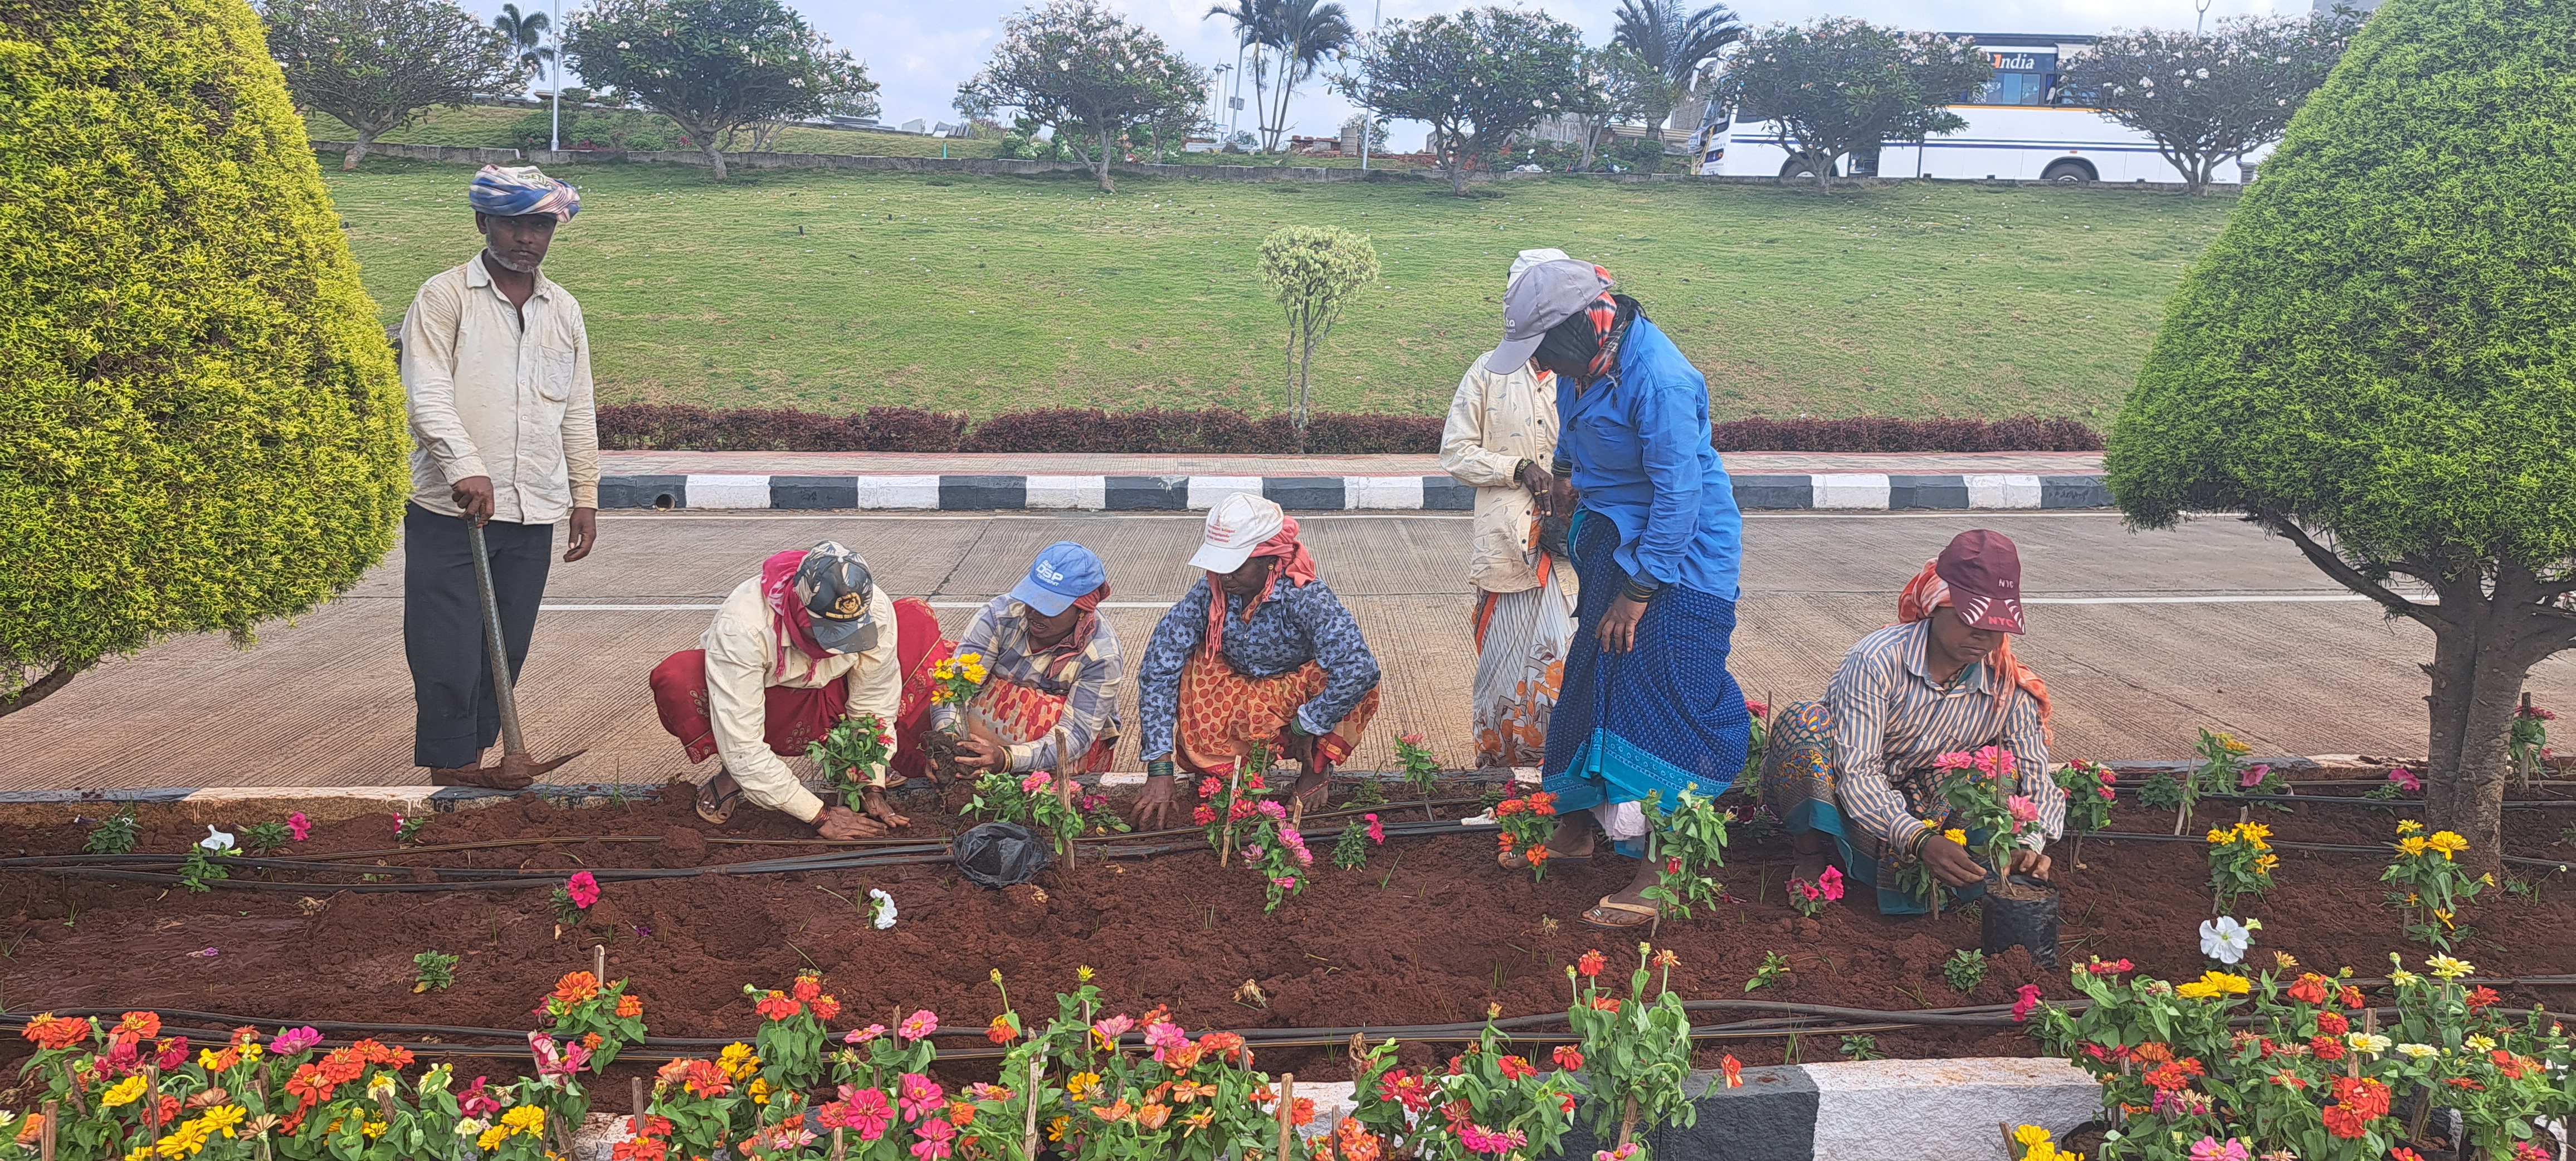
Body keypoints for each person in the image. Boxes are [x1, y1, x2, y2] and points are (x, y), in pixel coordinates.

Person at [1498, 258, 1752, 929]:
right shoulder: (1586, 361)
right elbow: (1573, 428)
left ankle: (1663, 870)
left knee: (1663, 688)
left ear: (1582, 325)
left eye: (1545, 348)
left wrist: (1637, 592)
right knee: (1590, 674)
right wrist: (1562, 473)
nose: (1543, 365)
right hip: (1616, 538)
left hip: (1680, 555)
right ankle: (1577, 829)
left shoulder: (1659, 378)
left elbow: (1680, 494)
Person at [401, 164, 598, 789]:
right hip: (450, 511)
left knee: (505, 647)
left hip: (531, 506)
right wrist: (467, 467)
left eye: (539, 225)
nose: (526, 238)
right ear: (484, 222)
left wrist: (584, 496)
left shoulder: (562, 309)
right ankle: (451, 770)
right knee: (447, 649)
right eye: (513, 223)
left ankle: (481, 759)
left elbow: (576, 407)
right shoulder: (444, 296)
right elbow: (426, 394)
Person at [1759, 529, 2067, 914]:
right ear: (1936, 606)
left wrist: (2030, 843)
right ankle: (1810, 851)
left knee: (1998, 772)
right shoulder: (1876, 661)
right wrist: (1919, 841)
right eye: (1969, 617)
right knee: (1804, 723)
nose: (1983, 633)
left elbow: (2039, 782)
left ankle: (1954, 873)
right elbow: (1858, 771)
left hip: (1929, 798)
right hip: (1844, 788)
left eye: (1997, 623)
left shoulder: (2008, 689)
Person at [646, 542, 954, 839]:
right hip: (769, 707)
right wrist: (819, 815)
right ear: (802, 613)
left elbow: (874, 702)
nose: (836, 646)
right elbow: (743, 742)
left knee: (913, 617)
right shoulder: (743, 627)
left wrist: (870, 781)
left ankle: (846, 768)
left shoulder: (874, 610)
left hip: (829, 698)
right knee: (679, 679)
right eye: (827, 634)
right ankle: (735, 776)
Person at [1132, 494, 1383, 827]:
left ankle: (1316, 768)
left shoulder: (1305, 595)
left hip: (1297, 694)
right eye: (1218, 565)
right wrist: (1159, 766)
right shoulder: (1209, 592)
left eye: (1236, 566)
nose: (1224, 576)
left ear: (1270, 561)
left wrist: (1306, 724)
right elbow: (1158, 668)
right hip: (1240, 689)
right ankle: (1224, 772)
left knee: (1344, 676)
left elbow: (1360, 668)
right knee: (1189, 663)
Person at [1441, 249, 1579, 770]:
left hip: (1570, 553)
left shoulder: (1584, 373)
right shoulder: (1488, 372)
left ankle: (1559, 773)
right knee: (1501, 671)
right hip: (1506, 548)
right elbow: (1455, 452)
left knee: (1563, 665)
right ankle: (1499, 775)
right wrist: (1518, 469)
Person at [933, 542, 1125, 778]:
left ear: (1082, 610)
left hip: (1054, 746)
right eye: (1033, 599)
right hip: (984, 736)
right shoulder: (999, 615)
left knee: (1047, 714)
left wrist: (1007, 759)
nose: (1035, 611)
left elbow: (1076, 735)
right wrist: (949, 746)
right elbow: (955, 689)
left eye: (1050, 607)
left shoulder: (1102, 657)